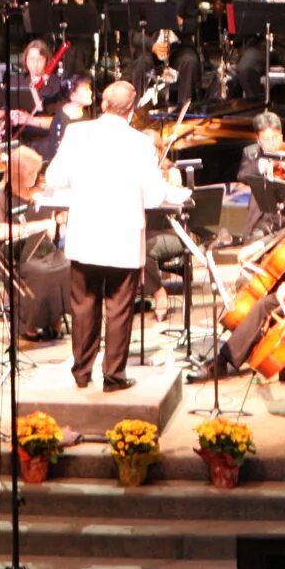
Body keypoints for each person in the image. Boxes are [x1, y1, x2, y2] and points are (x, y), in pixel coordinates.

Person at [41, 81, 189, 392]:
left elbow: (54, 178)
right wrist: (172, 192)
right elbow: (152, 196)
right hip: (123, 239)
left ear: (103, 105)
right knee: (119, 309)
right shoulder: (141, 144)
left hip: (86, 235)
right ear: (132, 110)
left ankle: (82, 373)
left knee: (84, 306)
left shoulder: (77, 133)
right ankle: (113, 376)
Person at [187, 171, 285, 382]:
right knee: (247, 285)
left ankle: (222, 361)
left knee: (264, 305)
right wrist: (256, 246)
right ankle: (240, 350)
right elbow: (279, 235)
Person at [0, 145, 72, 341]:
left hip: (44, 248)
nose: (35, 177)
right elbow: (0, 231)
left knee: (67, 265)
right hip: (18, 253)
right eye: (31, 173)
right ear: (18, 174)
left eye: (36, 172)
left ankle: (55, 320)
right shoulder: (3, 195)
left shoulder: (41, 191)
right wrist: (38, 225)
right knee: (40, 272)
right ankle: (29, 325)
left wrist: (60, 217)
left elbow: (60, 213)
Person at [126, 0, 201, 109]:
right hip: (150, 48)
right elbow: (133, 34)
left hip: (177, 47)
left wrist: (181, 23)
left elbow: (194, 24)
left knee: (190, 60)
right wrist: (153, 46)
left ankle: (184, 109)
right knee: (141, 63)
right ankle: (139, 110)